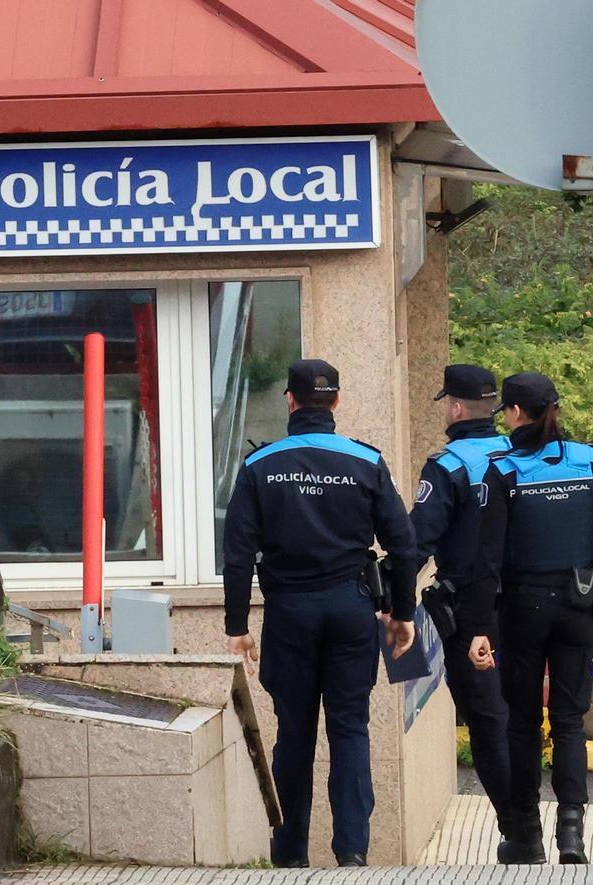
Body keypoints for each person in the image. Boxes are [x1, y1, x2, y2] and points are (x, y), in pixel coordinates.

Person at [224, 358, 418, 869]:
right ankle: (352, 852)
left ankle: (289, 856)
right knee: (350, 727)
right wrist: (403, 612)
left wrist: (237, 626)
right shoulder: (366, 461)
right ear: (336, 401)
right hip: (351, 608)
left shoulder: (259, 465)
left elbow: (238, 553)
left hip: (290, 612)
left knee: (294, 732)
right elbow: (403, 545)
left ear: (289, 400)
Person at [465, 372, 593, 865]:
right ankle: (572, 835)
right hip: (580, 608)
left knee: (522, 723)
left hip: (523, 611)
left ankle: (527, 838)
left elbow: (487, 558)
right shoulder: (589, 460)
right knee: (569, 721)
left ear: (516, 412)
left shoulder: (503, 470)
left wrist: (479, 628)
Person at [408, 364, 513, 850]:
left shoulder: (448, 466)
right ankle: (553, 823)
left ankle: (519, 830)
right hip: (531, 606)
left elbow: (418, 542)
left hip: (472, 616)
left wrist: (393, 603)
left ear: (454, 408)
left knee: (487, 720)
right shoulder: (521, 453)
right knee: (524, 715)